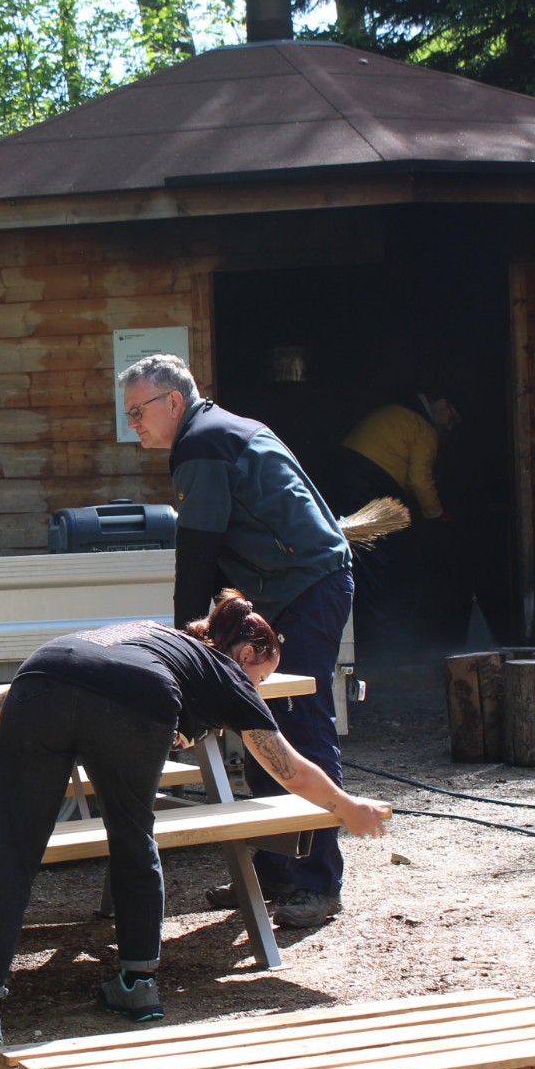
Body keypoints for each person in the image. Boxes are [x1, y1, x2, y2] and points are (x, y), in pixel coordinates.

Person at [0, 595, 391, 1053]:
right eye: (261, 677)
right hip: (135, 697)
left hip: (40, 676)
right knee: (132, 837)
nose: (257, 687)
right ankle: (136, 985)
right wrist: (345, 805)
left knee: (13, 849)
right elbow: (287, 768)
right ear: (247, 654)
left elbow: (63, 672)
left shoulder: (155, 636)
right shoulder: (228, 673)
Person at [119, 353, 356, 929]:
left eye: (138, 411)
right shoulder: (218, 430)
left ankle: (318, 883)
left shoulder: (203, 443)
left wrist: (181, 644)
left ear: (174, 401)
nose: (133, 424)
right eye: (128, 414)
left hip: (305, 590)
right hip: (280, 590)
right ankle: (273, 872)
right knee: (255, 725)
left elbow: (197, 552)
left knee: (300, 727)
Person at [326, 393, 462, 658]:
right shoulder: (424, 428)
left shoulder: (397, 414)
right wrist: (438, 515)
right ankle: (382, 643)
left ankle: (366, 636)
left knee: (357, 556)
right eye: (451, 418)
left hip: (343, 473)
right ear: (441, 402)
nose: (449, 426)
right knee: (378, 561)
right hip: (368, 483)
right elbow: (419, 480)